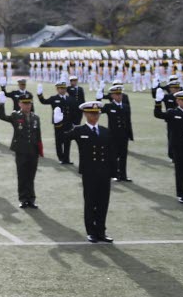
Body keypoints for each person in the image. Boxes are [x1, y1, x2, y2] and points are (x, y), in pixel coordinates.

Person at [58, 101, 115, 243]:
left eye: (96, 113)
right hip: (89, 173)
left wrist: (113, 172)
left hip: (104, 173)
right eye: (91, 113)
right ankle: (91, 232)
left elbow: (111, 154)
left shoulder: (105, 131)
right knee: (90, 202)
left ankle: (101, 231)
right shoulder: (79, 130)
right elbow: (63, 138)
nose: (94, 116)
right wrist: (58, 125)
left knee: (103, 203)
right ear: (85, 114)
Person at [0, 92, 42, 208]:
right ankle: (23, 199)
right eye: (25, 103)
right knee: (22, 175)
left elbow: (38, 136)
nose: (27, 106)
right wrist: (1, 104)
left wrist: (39, 150)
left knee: (31, 176)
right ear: (20, 104)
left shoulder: (36, 118)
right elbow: (3, 117)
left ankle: (31, 199)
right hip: (21, 151)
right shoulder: (16, 116)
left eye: (29, 104)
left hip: (33, 151)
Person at [102, 85, 134, 182]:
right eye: (117, 94)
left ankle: (123, 175)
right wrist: (98, 98)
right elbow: (98, 111)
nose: (119, 96)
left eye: (120, 94)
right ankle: (114, 174)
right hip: (113, 135)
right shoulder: (109, 106)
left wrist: (130, 135)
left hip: (123, 135)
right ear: (112, 96)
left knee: (123, 156)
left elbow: (128, 121)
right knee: (113, 156)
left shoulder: (126, 106)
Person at [38, 81, 75, 165]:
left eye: (64, 88)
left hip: (68, 123)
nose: (62, 90)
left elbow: (73, 111)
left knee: (67, 141)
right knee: (59, 141)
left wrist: (73, 122)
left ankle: (66, 159)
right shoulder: (54, 98)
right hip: (58, 124)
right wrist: (40, 95)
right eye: (60, 88)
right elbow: (44, 101)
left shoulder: (70, 99)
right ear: (57, 89)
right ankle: (61, 158)